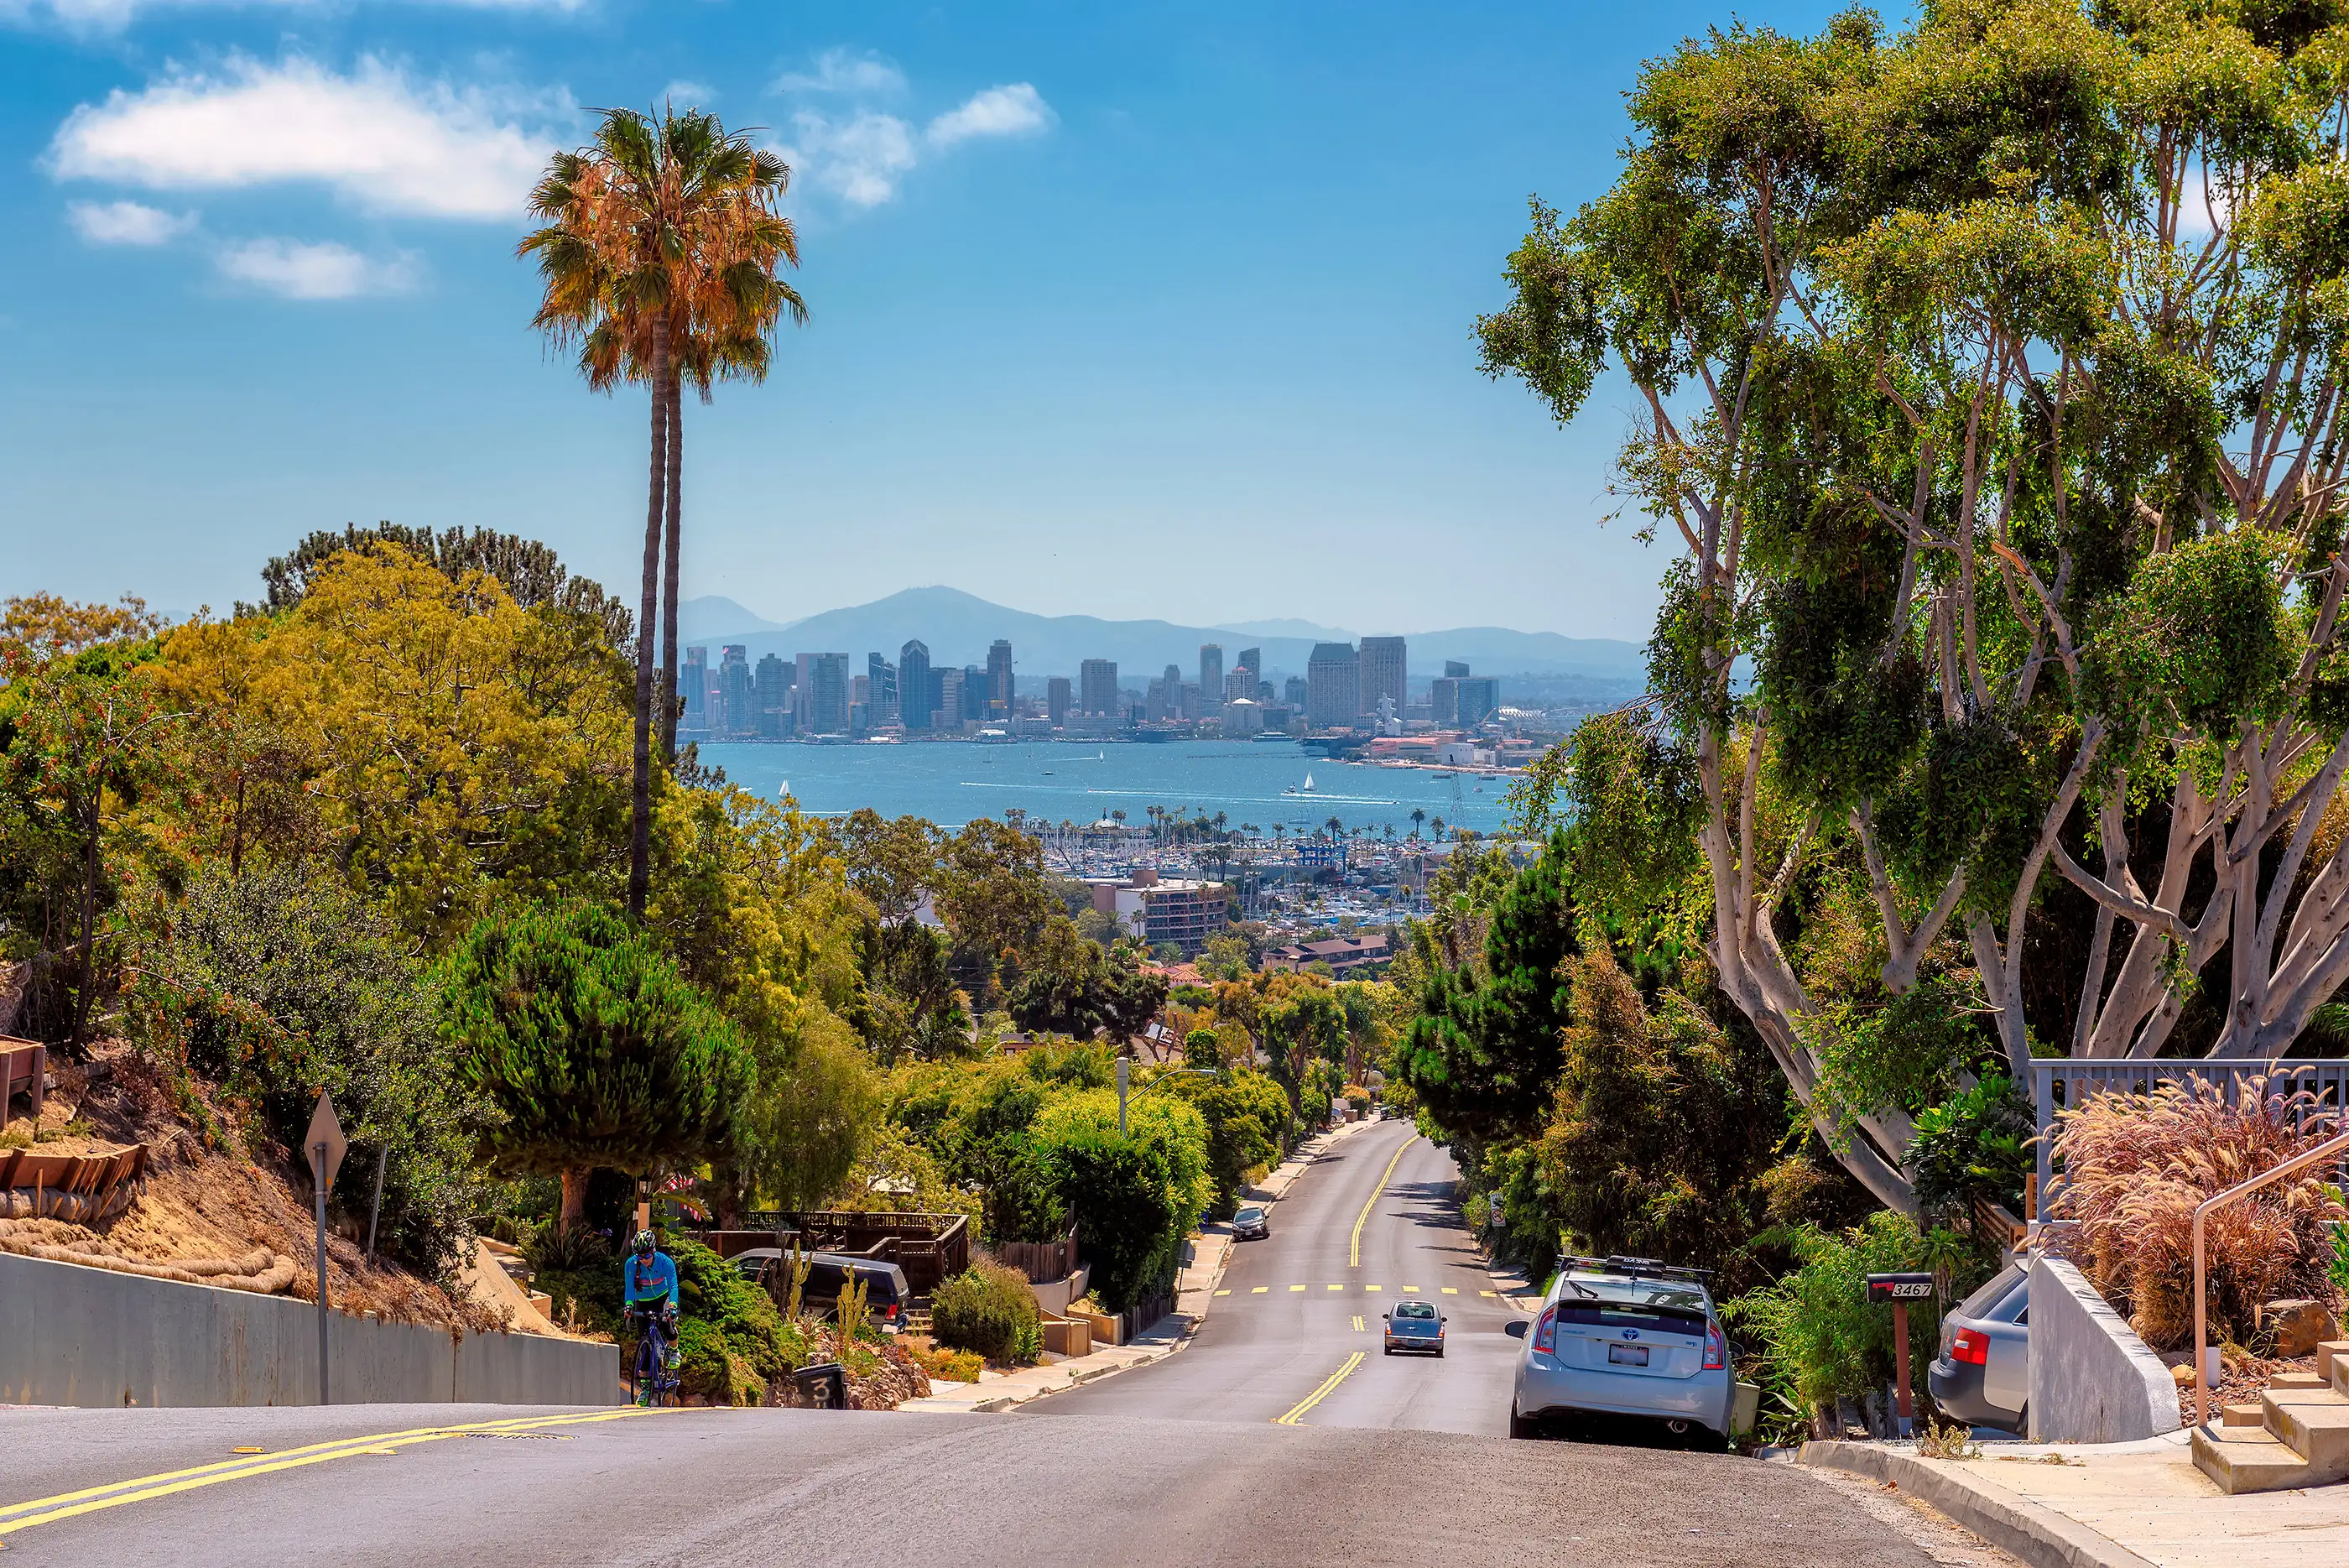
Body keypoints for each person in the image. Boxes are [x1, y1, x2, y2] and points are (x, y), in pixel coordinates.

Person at [622, 1230, 680, 1396]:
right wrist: (629, 1305)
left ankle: (674, 1350)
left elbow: (674, 1286)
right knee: (645, 1344)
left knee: (666, 1322)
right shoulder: (631, 1264)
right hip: (643, 1301)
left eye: (646, 1256)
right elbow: (629, 1289)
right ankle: (645, 1390)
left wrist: (674, 1306)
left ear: (654, 1251)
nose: (643, 1260)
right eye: (639, 1257)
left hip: (663, 1298)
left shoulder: (665, 1262)